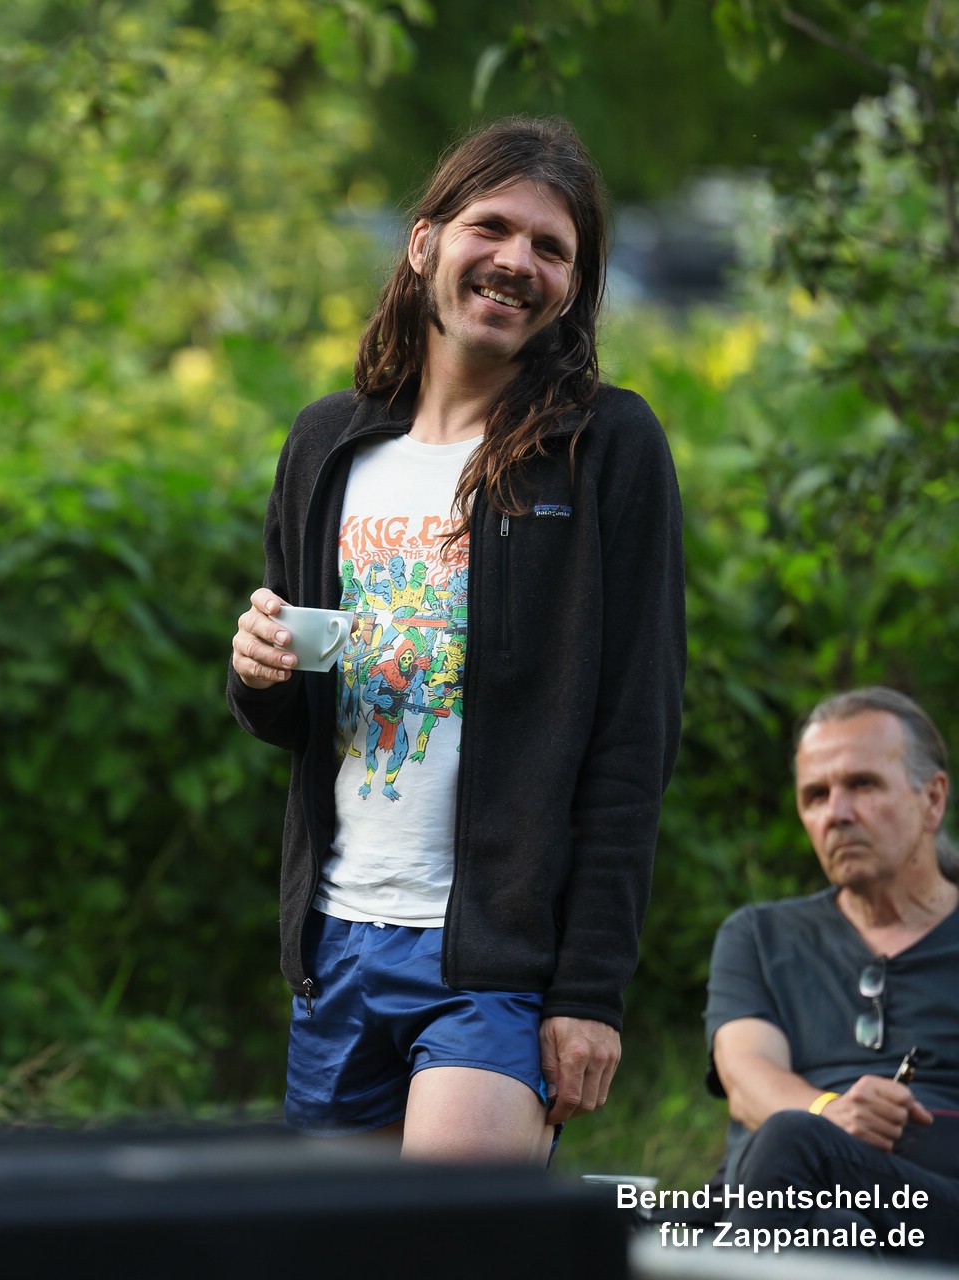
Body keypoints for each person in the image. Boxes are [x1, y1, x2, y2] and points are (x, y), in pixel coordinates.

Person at [227, 116, 685, 1161]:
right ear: (424, 241)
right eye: (493, 227)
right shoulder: (326, 443)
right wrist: (259, 673)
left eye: (552, 247)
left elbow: (633, 738)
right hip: (337, 939)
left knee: (449, 1236)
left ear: (574, 286)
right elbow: (299, 712)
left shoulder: (605, 448)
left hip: (497, 960)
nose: (518, 260)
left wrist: (590, 991)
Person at [703, 687, 959, 1260]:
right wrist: (829, 1113)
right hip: (788, 1202)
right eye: (816, 795)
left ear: (932, 799)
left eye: (863, 785)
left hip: (936, 1212)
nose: (836, 814)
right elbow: (747, 1075)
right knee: (825, 1220)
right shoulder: (760, 936)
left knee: (793, 1141)